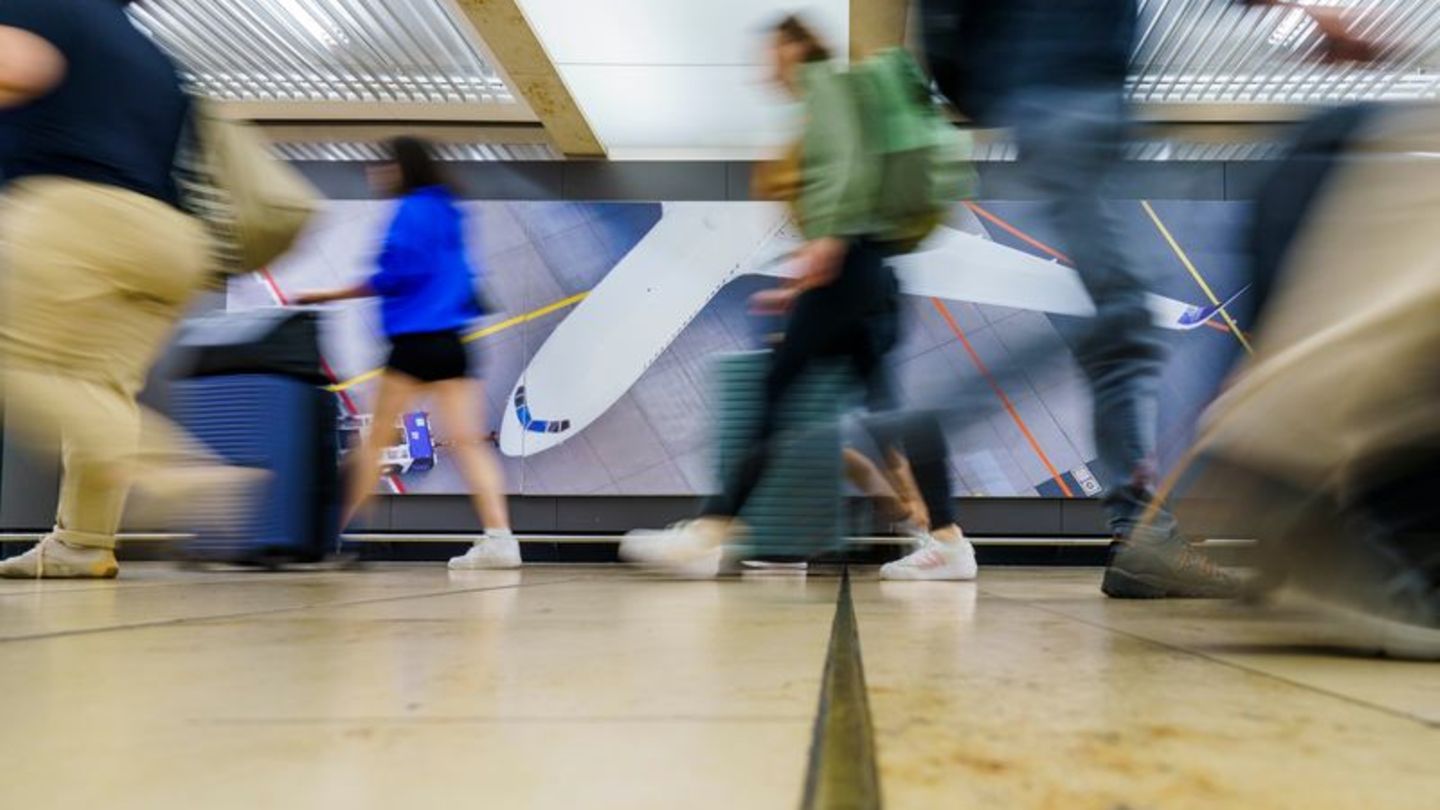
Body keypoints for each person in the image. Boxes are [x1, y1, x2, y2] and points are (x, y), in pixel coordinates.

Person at [620, 16, 976, 580]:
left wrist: (830, 237)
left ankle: (711, 530)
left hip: (851, 262)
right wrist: (802, 280)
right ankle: (950, 541)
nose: (765, 66)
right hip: (869, 271)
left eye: (770, 52)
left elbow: (846, 162)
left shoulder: (823, 85)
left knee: (776, 394)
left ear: (793, 47)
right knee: (890, 411)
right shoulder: (831, 95)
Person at [0, 0, 256, 579]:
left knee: (16, 362)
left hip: (76, 216)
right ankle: (84, 543)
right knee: (99, 387)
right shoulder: (153, 56)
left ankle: (167, 470)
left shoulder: (38, 7)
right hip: (170, 239)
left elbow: (16, 66)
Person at [297, 137, 517, 571]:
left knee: (375, 441)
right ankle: (502, 540)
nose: (375, 173)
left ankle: (327, 540)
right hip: (453, 343)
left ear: (400, 168)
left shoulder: (409, 210)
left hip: (414, 344)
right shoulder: (448, 208)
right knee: (469, 443)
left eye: (382, 165)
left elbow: (393, 275)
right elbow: (465, 276)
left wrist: (327, 294)